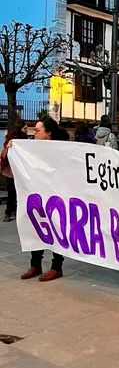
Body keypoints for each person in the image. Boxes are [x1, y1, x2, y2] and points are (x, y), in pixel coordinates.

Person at [21, 117, 66, 281]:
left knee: (56, 228)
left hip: (56, 196)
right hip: (38, 195)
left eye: (38, 130)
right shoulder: (32, 149)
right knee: (37, 227)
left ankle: (57, 267)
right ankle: (35, 264)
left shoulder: (60, 150)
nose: (34, 133)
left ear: (48, 133)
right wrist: (12, 147)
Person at [1, 122, 27, 222]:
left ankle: (13, 211)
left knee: (16, 191)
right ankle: (9, 211)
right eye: (24, 129)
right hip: (12, 169)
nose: (26, 131)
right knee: (12, 191)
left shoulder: (23, 139)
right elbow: (4, 153)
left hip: (18, 169)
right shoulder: (11, 140)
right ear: (19, 129)